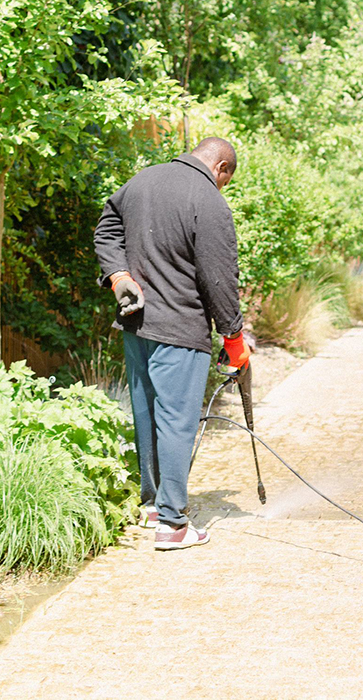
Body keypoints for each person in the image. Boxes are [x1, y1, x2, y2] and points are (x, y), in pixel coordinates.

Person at [93, 136, 251, 551]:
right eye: (226, 180)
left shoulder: (142, 181)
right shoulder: (210, 201)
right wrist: (233, 335)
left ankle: (152, 507)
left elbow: (105, 229)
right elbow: (218, 278)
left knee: (146, 415)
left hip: (137, 324)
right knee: (177, 420)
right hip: (180, 330)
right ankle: (174, 525)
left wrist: (118, 276)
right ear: (222, 168)